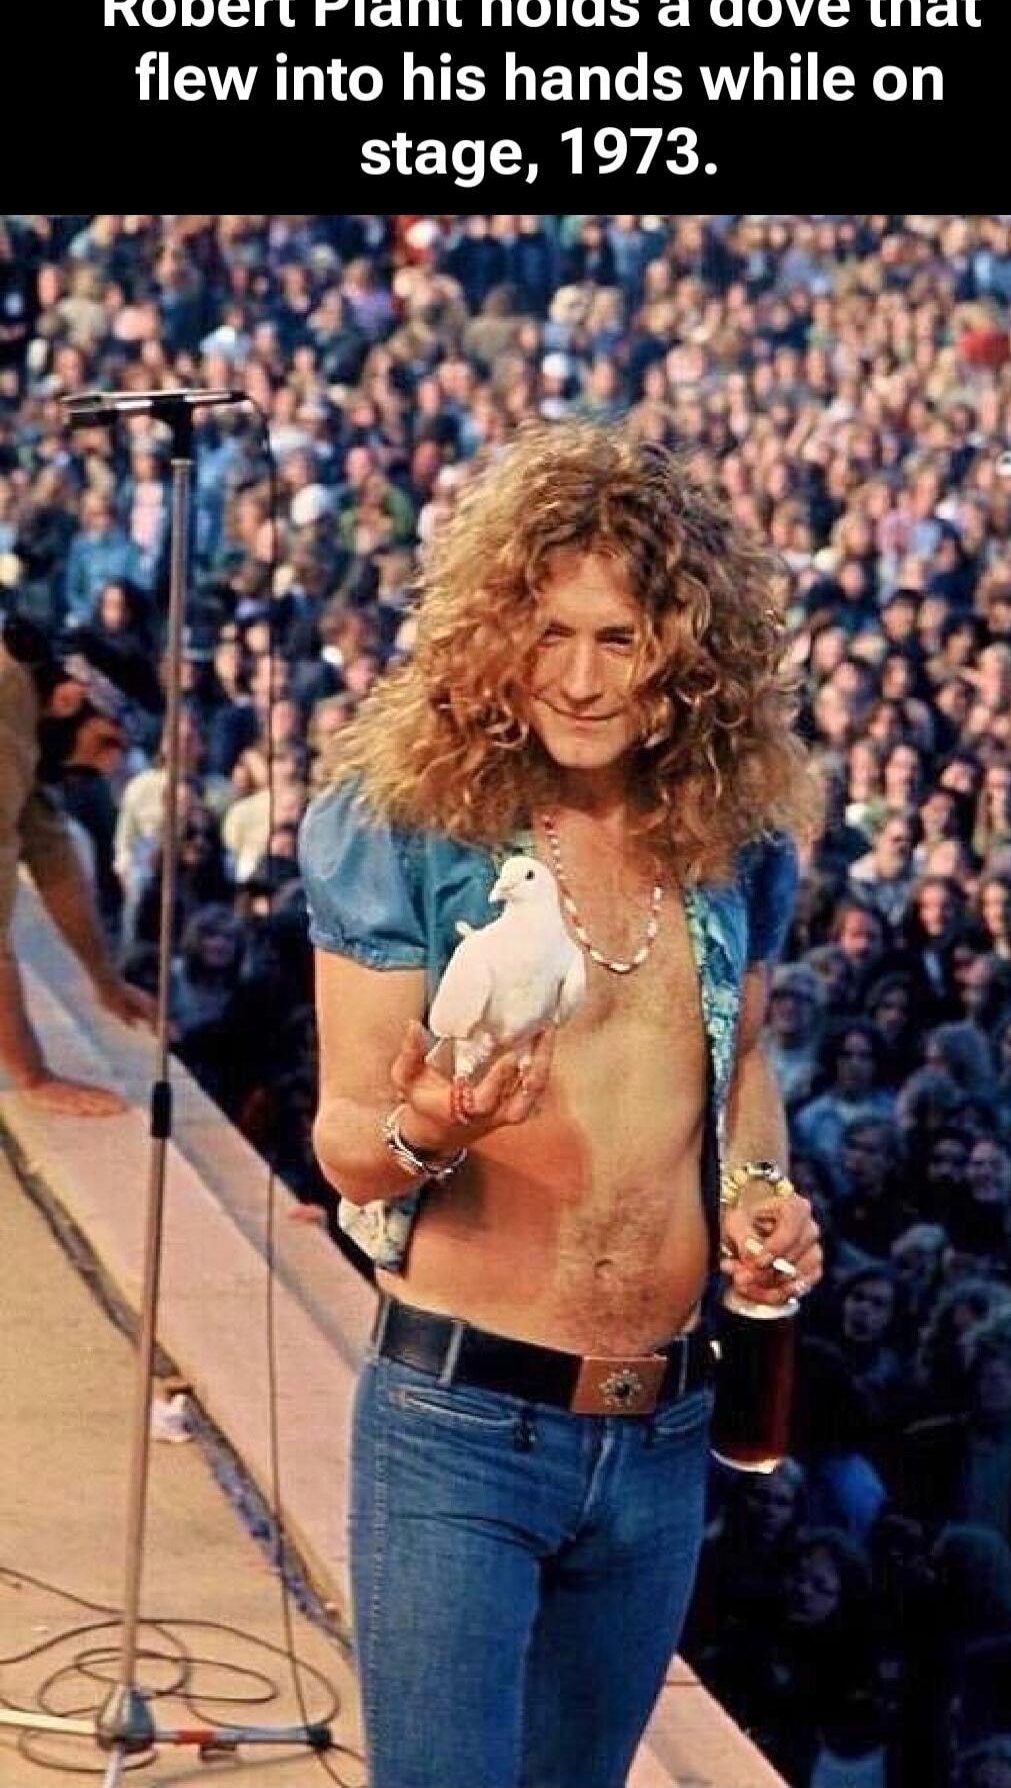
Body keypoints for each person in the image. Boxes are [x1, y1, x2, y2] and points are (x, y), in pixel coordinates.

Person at [298, 424, 824, 1788]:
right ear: (494, 636)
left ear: (686, 655)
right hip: (460, 1426)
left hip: (663, 1434)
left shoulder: (734, 833)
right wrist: (437, 1129)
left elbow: (745, 1067)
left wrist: (762, 1195)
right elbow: (349, 1136)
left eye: (620, 638)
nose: (579, 680)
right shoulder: (402, 820)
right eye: (550, 634)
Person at [0, 612, 159, 1114]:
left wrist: (104, 979)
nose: (105, 766)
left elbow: (53, 860)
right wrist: (34, 1075)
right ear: (69, 700)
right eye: (106, 744)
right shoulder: (8, 704)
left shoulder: (23, 709)